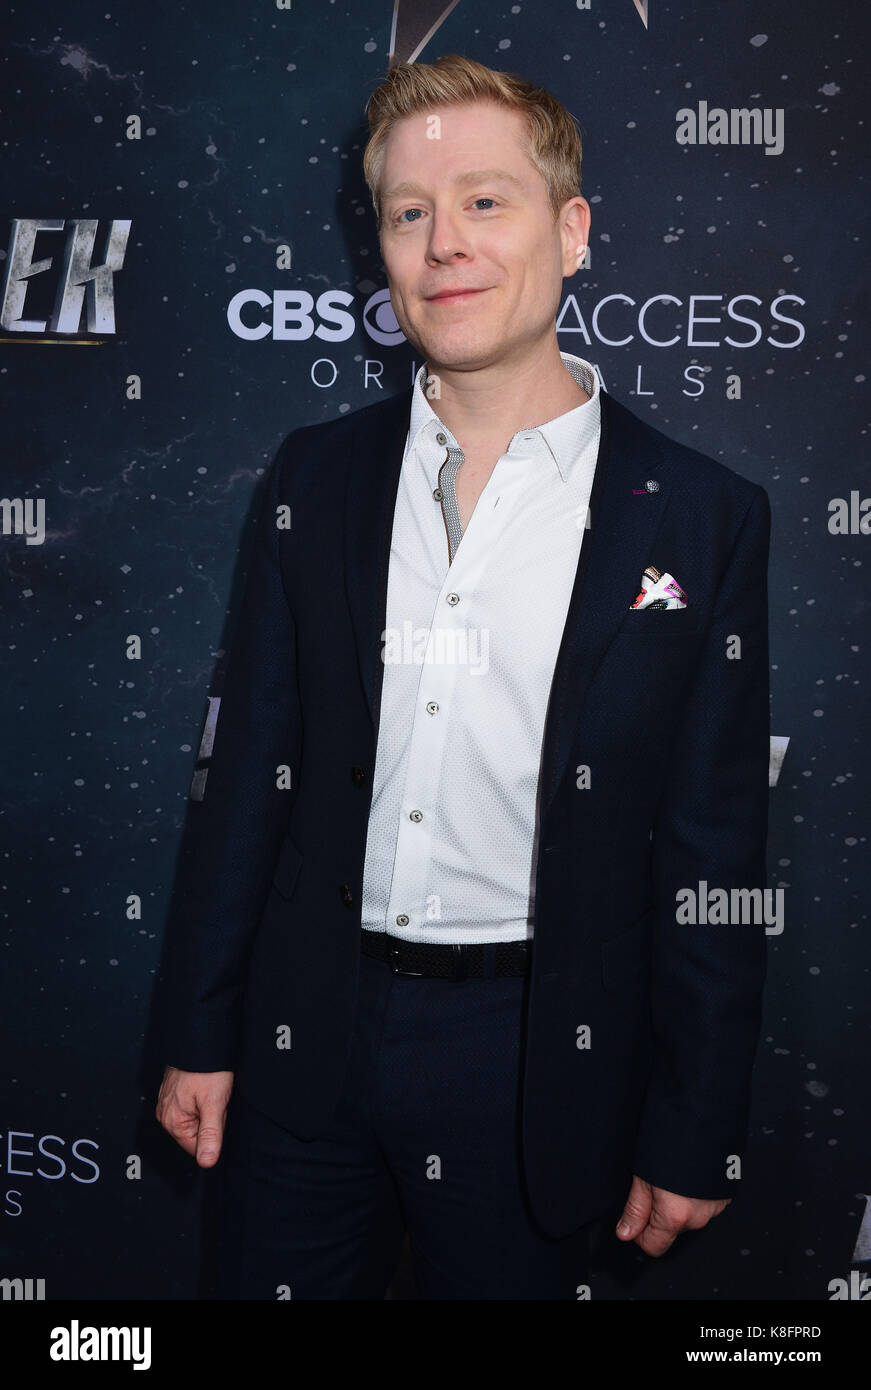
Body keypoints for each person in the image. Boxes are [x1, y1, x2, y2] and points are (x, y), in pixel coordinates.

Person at [155, 53, 771, 1300]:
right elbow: (247, 794)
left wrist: (697, 1114)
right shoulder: (312, 478)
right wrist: (199, 1029)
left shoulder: (703, 520)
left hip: (537, 1058)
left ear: (573, 229)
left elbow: (715, 846)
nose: (446, 244)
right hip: (304, 1032)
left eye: (486, 201)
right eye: (409, 212)